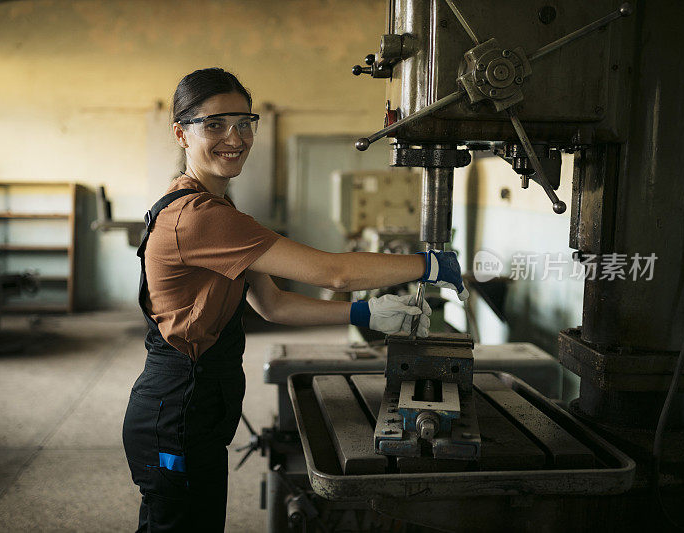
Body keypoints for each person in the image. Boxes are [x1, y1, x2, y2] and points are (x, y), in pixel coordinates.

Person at [122, 67, 468, 532]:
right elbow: (335, 272)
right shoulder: (199, 216)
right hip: (175, 406)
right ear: (182, 133)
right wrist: (430, 265)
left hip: (196, 403)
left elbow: (272, 304)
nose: (235, 137)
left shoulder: (217, 210)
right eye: (215, 124)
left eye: (245, 122)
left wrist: (367, 312)